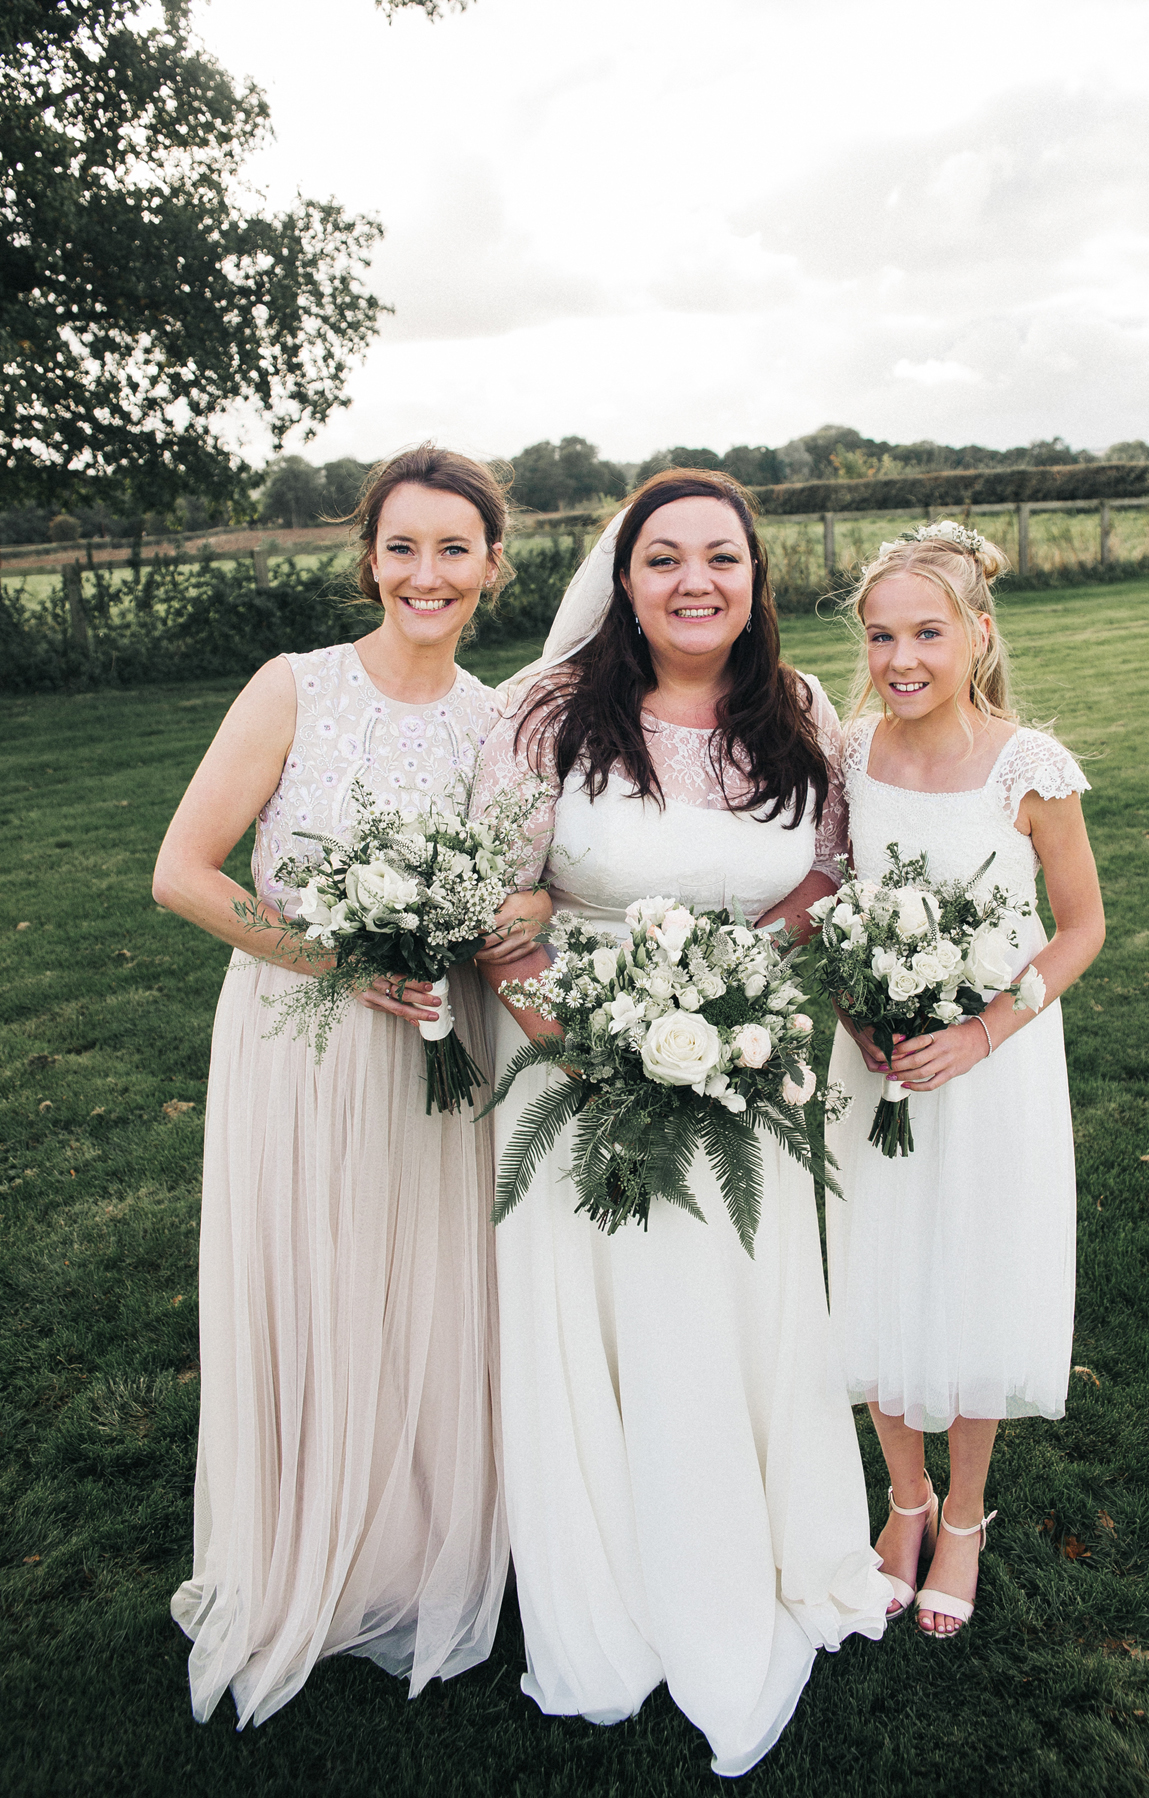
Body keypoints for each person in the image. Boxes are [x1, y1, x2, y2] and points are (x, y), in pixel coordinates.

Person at [470, 469, 891, 1779]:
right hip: (574, 1068)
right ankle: (620, 1582)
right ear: (622, 579)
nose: (693, 580)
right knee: (621, 1317)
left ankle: (756, 1540)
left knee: (735, 1310)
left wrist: (721, 995)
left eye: (719, 556)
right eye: (662, 558)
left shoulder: (799, 711)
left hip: (744, 1058)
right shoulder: (544, 712)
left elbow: (824, 867)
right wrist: (598, 1051)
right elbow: (500, 903)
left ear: (753, 578)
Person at [154, 444, 548, 1726]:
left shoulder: (503, 725)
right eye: (401, 546)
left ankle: (410, 1550)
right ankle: (300, 1552)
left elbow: (532, 889)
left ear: (493, 564)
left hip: (439, 1050)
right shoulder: (295, 689)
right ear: (367, 557)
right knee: (311, 1280)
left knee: (426, 1292)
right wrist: (337, 960)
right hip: (299, 1043)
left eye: (452, 548)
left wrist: (499, 910)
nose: (423, 574)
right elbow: (185, 872)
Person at [824, 521, 1105, 1639]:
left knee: (976, 1274)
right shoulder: (848, 755)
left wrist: (985, 1032)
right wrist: (858, 1018)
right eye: (881, 634)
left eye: (926, 632)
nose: (901, 657)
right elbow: (832, 900)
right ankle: (902, 1499)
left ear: (975, 633)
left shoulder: (1028, 766)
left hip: (992, 1069)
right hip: (877, 1068)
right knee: (879, 1269)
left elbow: (1078, 928)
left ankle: (968, 1515)